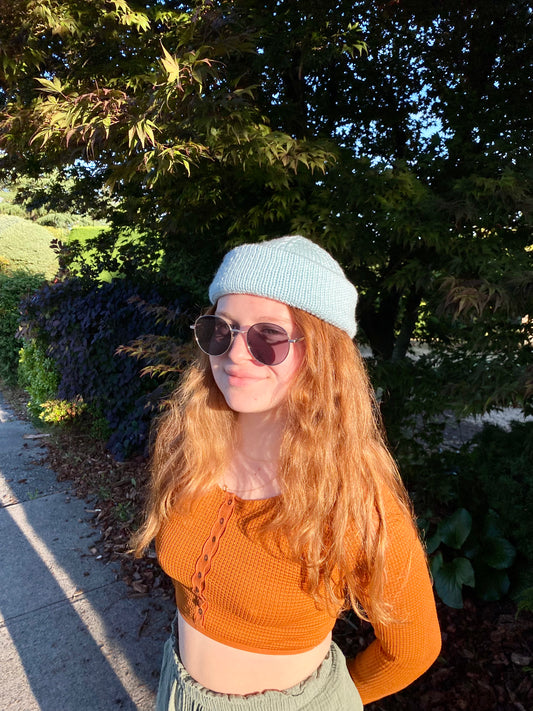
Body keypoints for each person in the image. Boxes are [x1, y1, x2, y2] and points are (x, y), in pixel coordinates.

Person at [133, 235, 441, 710]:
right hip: (176, 691)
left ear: (322, 356)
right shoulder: (188, 451)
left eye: (269, 337)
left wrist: (332, 701)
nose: (236, 353)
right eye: (221, 329)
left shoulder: (354, 497)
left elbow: (412, 649)